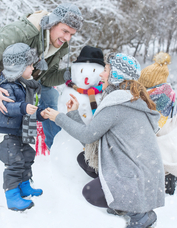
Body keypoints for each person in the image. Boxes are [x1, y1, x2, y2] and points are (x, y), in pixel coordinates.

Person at [0, 3, 83, 209]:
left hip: (12, 81)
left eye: (71, 34)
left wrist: (72, 74)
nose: (67, 38)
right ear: (52, 24)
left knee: (48, 94)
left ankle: (61, 161)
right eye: (64, 31)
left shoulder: (60, 45)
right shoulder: (22, 32)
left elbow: (46, 78)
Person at [44, 53, 165, 228]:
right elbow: (94, 135)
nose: (101, 74)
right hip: (144, 176)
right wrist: (73, 113)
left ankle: (140, 214)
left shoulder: (118, 104)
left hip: (136, 178)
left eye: (106, 70)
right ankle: (124, 202)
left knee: (90, 193)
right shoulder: (130, 100)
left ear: (116, 74)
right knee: (83, 159)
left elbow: (88, 135)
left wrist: (59, 117)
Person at [0, 43, 46, 211]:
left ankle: (24, 185)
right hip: (5, 134)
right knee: (15, 162)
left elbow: (30, 106)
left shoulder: (25, 85)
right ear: (18, 68)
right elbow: (7, 107)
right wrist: (23, 108)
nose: (32, 67)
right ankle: (12, 195)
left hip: (18, 132)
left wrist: (42, 113)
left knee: (28, 155)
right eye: (29, 65)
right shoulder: (6, 86)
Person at [138, 52, 177, 195]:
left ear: (151, 83)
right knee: (172, 153)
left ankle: (168, 177)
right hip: (173, 129)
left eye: (144, 84)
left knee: (162, 154)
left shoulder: (155, 98)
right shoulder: (167, 91)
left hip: (163, 131)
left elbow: (153, 122)